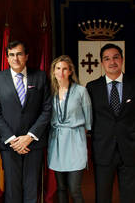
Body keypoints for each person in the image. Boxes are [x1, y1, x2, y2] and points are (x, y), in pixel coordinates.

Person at [0, 40, 52, 203]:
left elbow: (46, 109)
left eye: (19, 54)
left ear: (26, 56)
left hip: (34, 143)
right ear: (7, 58)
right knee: (12, 191)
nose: (15, 58)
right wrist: (12, 139)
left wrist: (30, 136)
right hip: (10, 145)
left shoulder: (40, 77)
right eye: (11, 55)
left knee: (32, 189)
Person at [86, 43, 135, 203]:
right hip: (103, 150)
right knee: (102, 196)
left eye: (116, 57)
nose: (112, 62)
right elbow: (89, 118)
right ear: (102, 63)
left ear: (122, 60)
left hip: (131, 149)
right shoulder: (92, 87)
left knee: (131, 196)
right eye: (107, 59)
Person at [47, 55, 92, 203]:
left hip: (75, 141)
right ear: (53, 72)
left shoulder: (81, 91)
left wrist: (80, 134)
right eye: (58, 68)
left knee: (74, 188)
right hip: (57, 142)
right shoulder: (50, 93)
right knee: (61, 187)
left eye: (65, 68)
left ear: (71, 71)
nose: (61, 72)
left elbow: (88, 120)